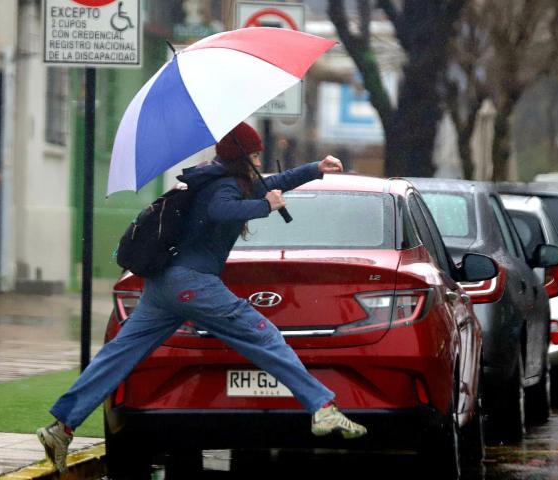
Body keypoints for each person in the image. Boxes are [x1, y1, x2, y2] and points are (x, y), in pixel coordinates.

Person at [37, 122, 367, 473]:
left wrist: (315, 169)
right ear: (242, 157)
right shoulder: (224, 186)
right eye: (254, 154)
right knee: (264, 336)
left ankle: (61, 426)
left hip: (164, 286)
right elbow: (222, 210)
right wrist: (264, 208)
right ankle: (323, 409)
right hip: (193, 285)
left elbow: (270, 183)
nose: (259, 159)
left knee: (119, 354)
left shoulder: (221, 178)